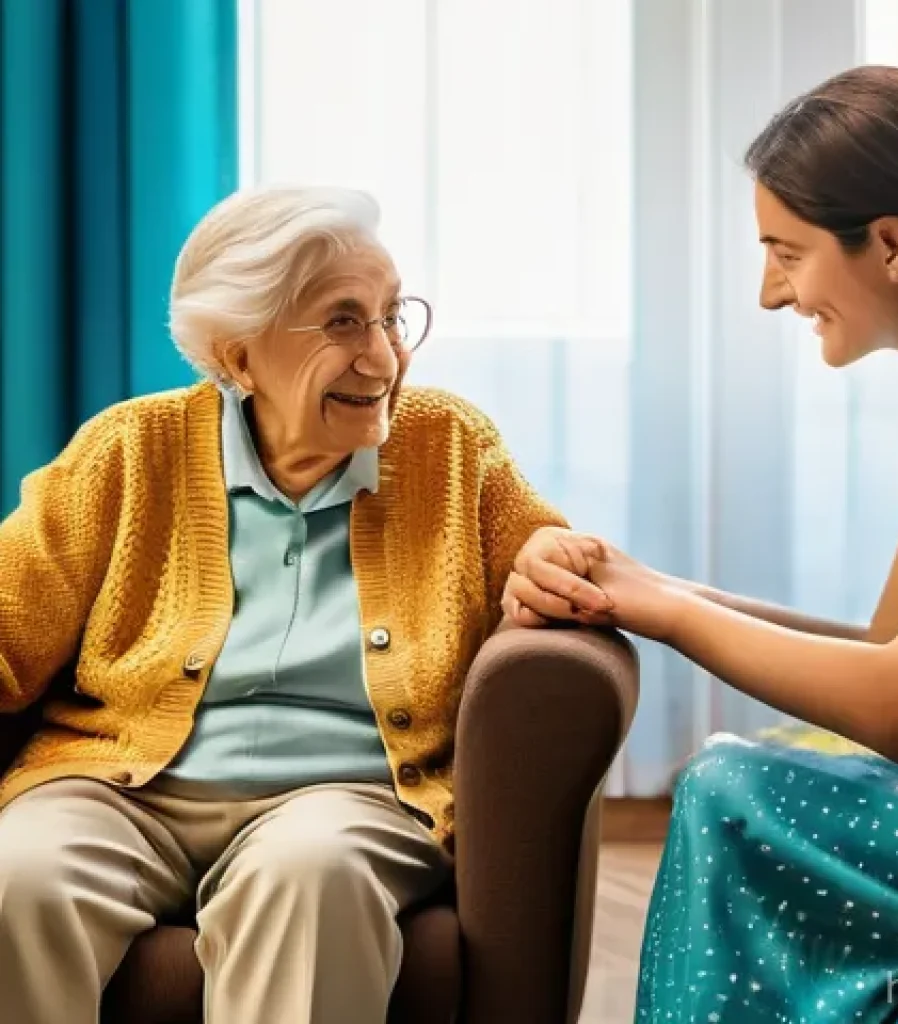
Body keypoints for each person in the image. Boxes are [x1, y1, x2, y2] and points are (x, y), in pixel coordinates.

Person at [504, 66, 898, 1021]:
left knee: (731, 788)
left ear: (891, 247)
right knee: (747, 782)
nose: (768, 293)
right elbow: (885, 649)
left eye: (786, 253)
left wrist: (664, 613)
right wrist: (643, 584)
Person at [0, 184, 566, 1024]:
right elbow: (12, 620)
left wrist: (551, 562)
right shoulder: (128, 451)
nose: (382, 357)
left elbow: (543, 553)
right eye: (342, 323)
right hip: (123, 787)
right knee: (19, 879)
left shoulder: (449, 445)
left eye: (391, 316)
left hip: (348, 797)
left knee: (312, 876)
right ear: (237, 358)